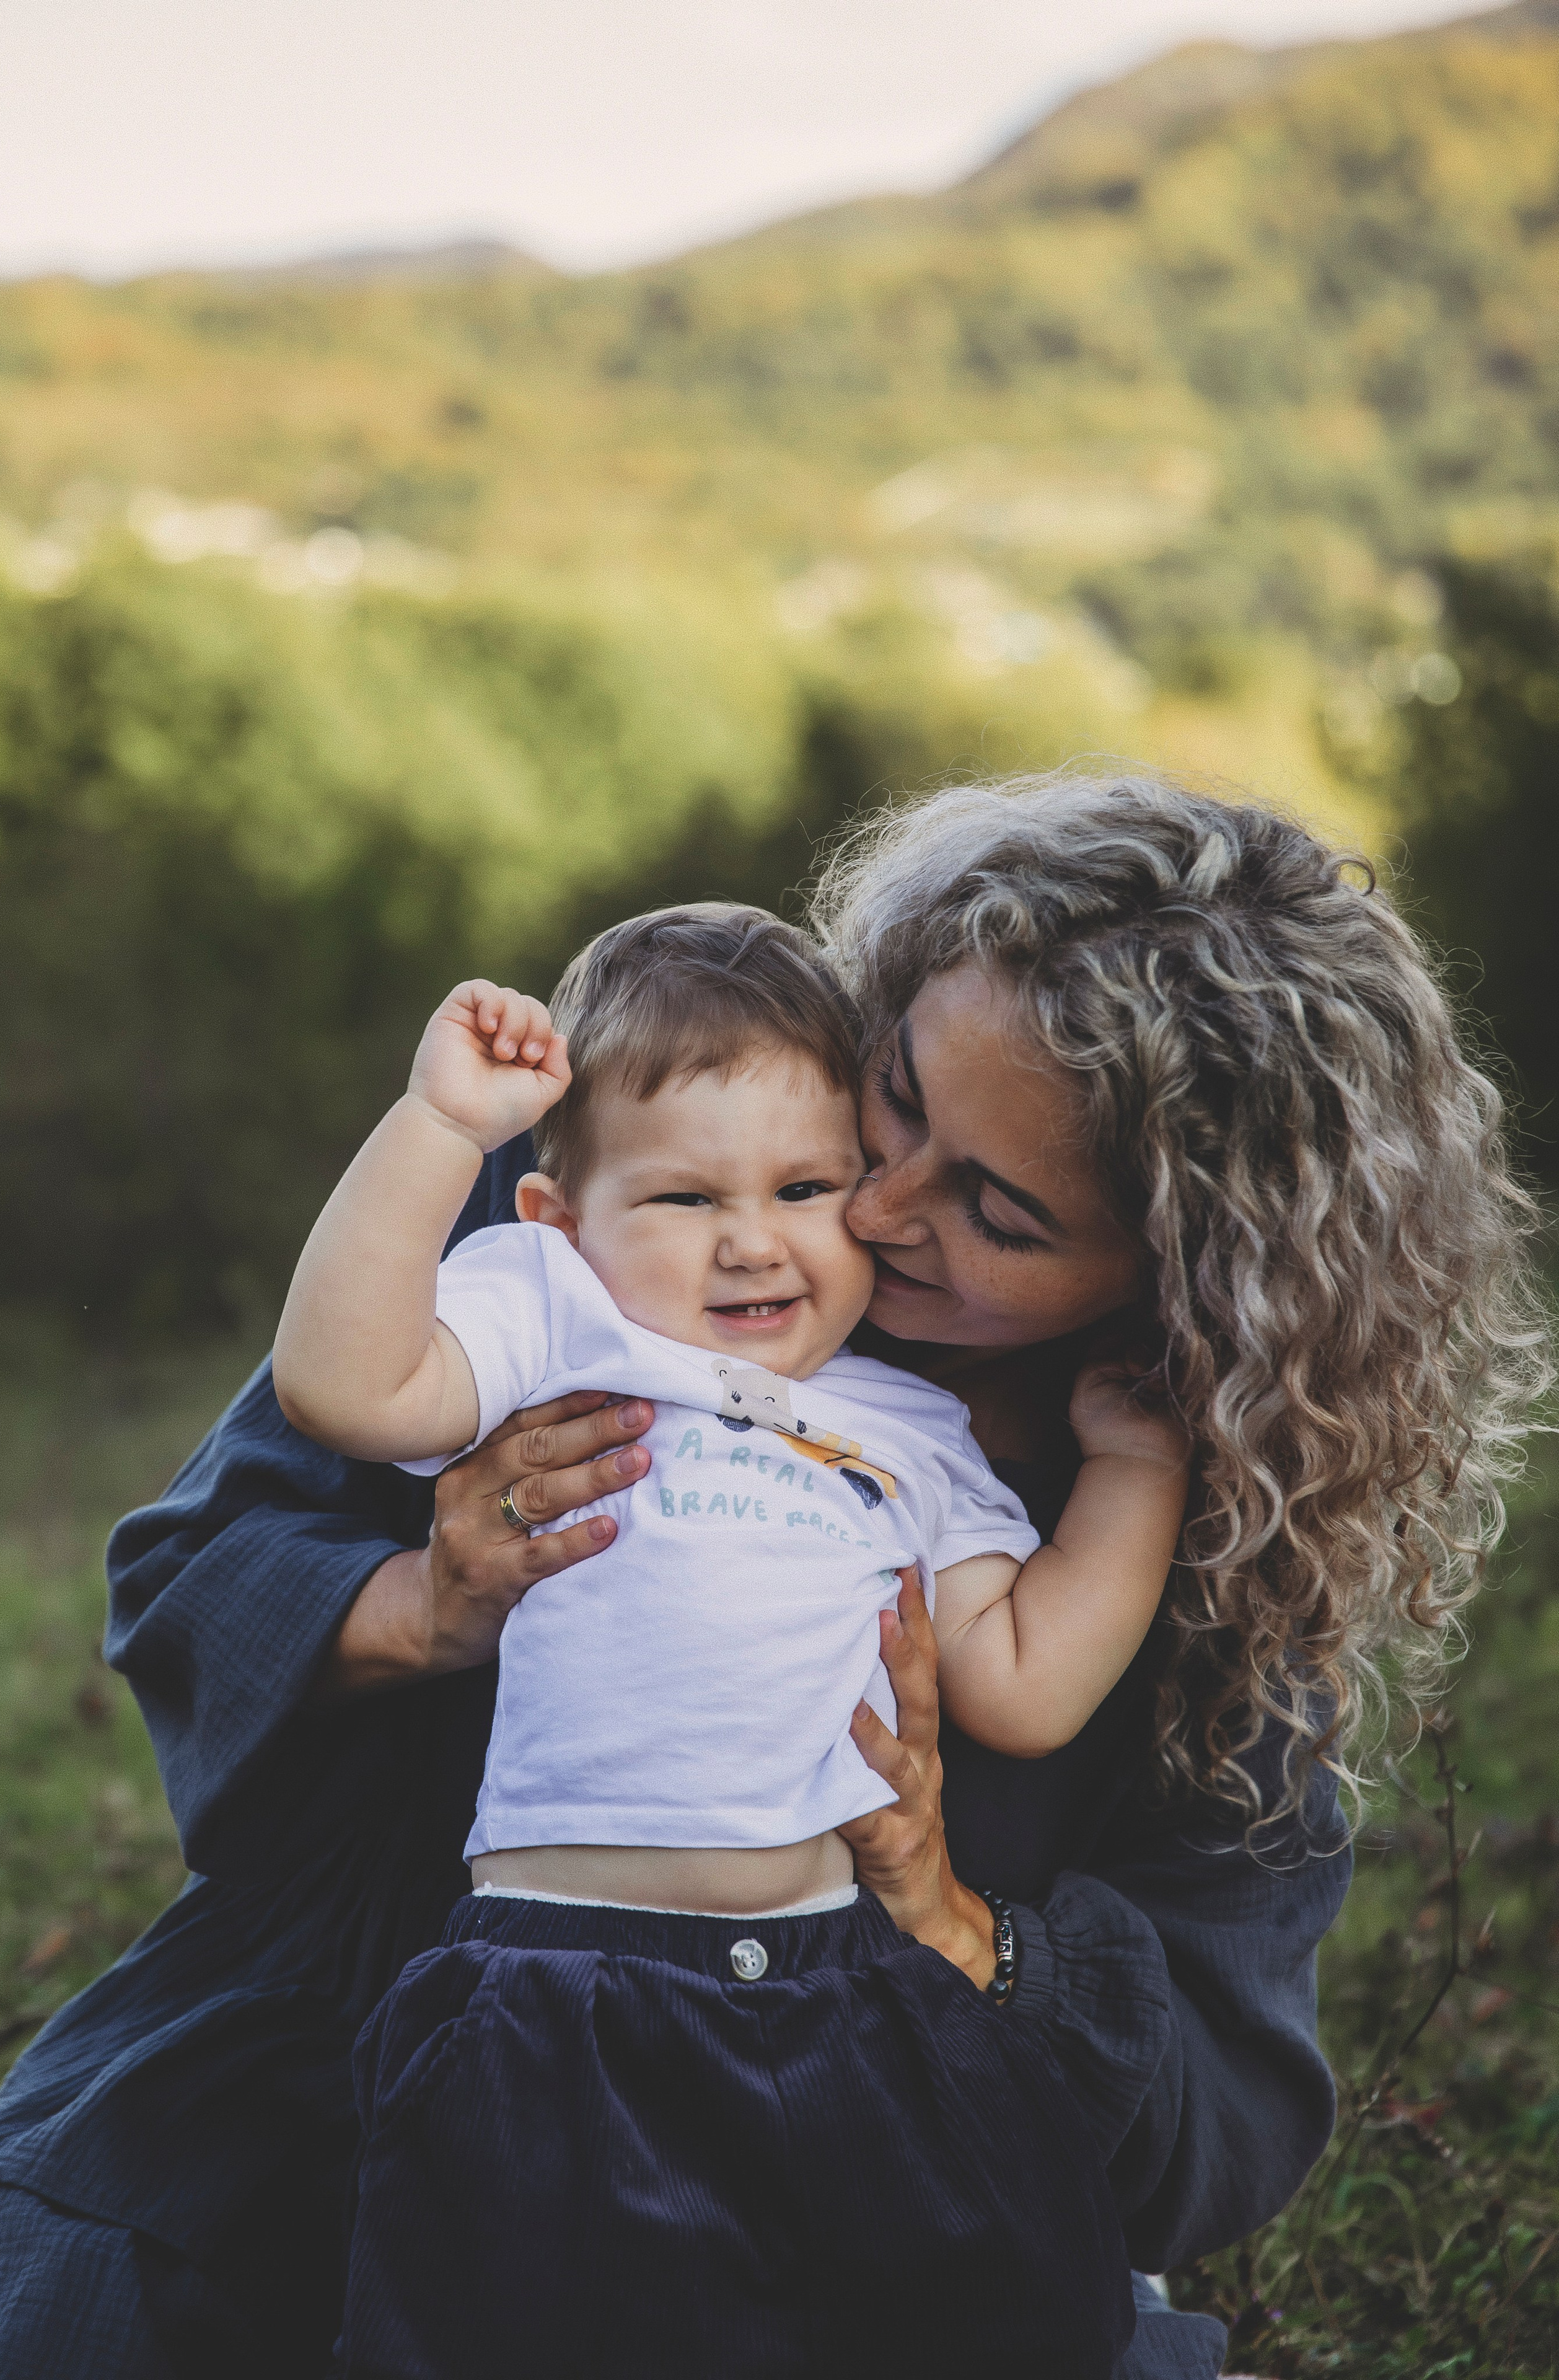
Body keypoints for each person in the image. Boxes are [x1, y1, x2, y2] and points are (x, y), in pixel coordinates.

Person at [0, 774, 1540, 2380]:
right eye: (899, 1098)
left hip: (843, 2167)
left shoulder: (1191, 1531)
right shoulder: (634, 1202)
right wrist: (421, 1608)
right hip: (334, 2075)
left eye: (994, 1208)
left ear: (1186, 1275)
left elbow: (1226, 2114)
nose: (870, 1204)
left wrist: (959, 1931)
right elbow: (192, 1571)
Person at [267, 906, 1189, 2374]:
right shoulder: (561, 1323)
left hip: (838, 1980)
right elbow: (341, 1386)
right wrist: (440, 1125)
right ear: (561, 1223)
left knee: (974, 2307)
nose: (754, 1241)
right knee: (505, 2326)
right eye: (685, 1199)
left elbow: (1023, 1683)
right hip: (550, 1983)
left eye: (809, 1185)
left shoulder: (911, 1433)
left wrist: (1136, 1470)